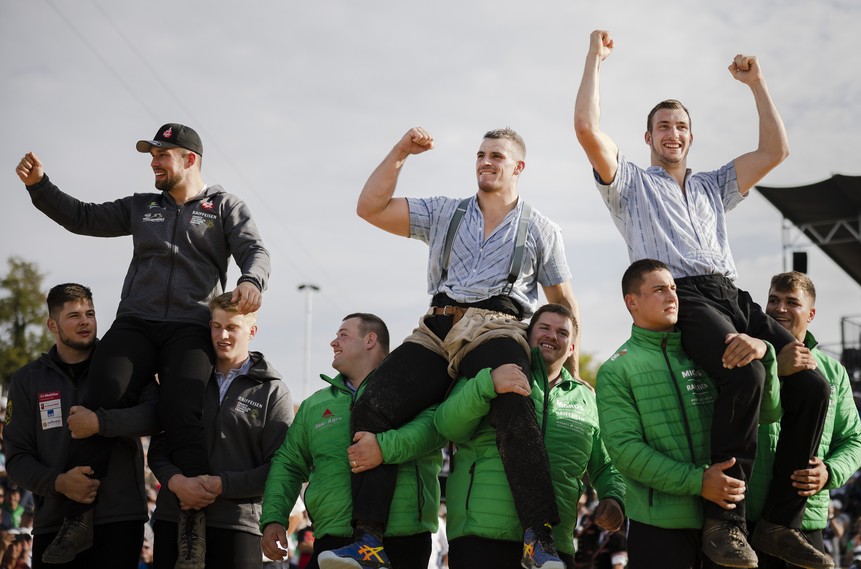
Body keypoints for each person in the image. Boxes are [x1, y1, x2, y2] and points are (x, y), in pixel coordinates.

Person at [574, 30, 833, 569]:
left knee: (810, 381)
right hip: (686, 295)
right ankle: (726, 523)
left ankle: (779, 523)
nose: (673, 132)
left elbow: (776, 151)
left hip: (733, 294)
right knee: (748, 373)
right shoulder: (630, 184)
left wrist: (757, 83)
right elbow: (585, 128)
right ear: (648, 136)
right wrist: (594, 60)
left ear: (691, 137)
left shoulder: (713, 185)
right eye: (664, 125)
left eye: (682, 126)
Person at [320, 127, 580, 569]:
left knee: (514, 395)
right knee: (373, 402)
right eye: (480, 154)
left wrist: (567, 373)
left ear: (518, 167)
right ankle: (367, 540)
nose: (485, 161)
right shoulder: (445, 212)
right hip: (438, 327)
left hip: (498, 326)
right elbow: (369, 208)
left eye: (496, 156)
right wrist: (401, 151)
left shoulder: (541, 229)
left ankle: (539, 537)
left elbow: (564, 303)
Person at [15, 123, 270, 565]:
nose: (153, 162)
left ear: (189, 159)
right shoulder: (141, 207)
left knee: (183, 411)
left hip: (190, 325)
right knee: (99, 395)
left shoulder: (224, 206)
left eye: (161, 155)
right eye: (151, 155)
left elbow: (255, 250)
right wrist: (40, 187)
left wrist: (251, 279)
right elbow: (84, 217)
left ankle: (192, 528)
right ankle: (79, 519)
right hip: (137, 319)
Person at [595, 259, 780, 569]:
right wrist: (697, 482)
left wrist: (764, 355)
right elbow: (626, 451)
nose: (672, 297)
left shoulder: (708, 353)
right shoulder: (617, 370)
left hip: (722, 526)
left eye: (673, 288)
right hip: (659, 530)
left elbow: (768, 414)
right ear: (632, 302)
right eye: (658, 290)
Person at [434, 303, 625, 568]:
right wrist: (487, 384)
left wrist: (614, 498)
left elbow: (606, 465)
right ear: (527, 334)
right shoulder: (493, 372)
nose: (552, 336)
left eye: (562, 333)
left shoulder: (587, 400)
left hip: (555, 545)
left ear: (571, 348)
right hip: (482, 534)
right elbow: (447, 426)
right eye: (544, 328)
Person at [260, 313, 444, 569]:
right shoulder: (315, 404)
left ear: (370, 340)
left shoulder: (413, 389)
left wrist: (382, 448)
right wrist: (273, 519)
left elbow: (432, 432)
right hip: (331, 538)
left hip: (403, 539)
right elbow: (289, 464)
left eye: (343, 335)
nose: (333, 342)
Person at [4, 283, 160, 569]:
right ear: (52, 324)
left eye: (90, 313)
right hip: (54, 522)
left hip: (119, 518)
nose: (85, 321)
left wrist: (101, 423)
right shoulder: (28, 380)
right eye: (74, 315)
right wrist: (59, 483)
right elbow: (17, 458)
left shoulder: (125, 365)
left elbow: (156, 415)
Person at [148, 292, 293, 569]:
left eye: (232, 327)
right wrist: (177, 482)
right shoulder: (184, 378)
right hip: (173, 517)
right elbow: (160, 445)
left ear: (252, 331)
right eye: (216, 326)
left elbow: (280, 468)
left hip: (237, 524)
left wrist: (222, 484)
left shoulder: (274, 391)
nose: (222, 335)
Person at [746, 271, 861, 568]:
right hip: (749, 517)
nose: (780, 309)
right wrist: (775, 369)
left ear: (811, 314)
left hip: (806, 520)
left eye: (791, 302)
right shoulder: (748, 357)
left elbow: (853, 440)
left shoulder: (833, 371)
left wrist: (829, 472)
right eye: (773, 300)